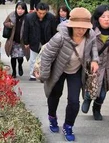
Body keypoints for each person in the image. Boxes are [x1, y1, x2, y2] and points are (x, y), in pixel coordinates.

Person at [38, 7, 99, 141]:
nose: (81, 30)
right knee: (55, 94)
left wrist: (95, 60)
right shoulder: (60, 37)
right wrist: (44, 75)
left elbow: (94, 47)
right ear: (71, 26)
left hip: (76, 71)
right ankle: (52, 117)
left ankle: (68, 126)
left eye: (84, 28)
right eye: (78, 27)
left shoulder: (91, 35)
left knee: (74, 101)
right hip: (59, 69)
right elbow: (47, 55)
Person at [23, 2, 58, 81]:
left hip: (47, 40)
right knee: (33, 59)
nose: (41, 15)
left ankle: (45, 75)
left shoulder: (51, 18)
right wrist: (26, 42)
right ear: (36, 10)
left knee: (46, 59)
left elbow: (54, 31)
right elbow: (26, 30)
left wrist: (54, 42)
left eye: (44, 13)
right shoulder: (29, 17)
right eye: (40, 13)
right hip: (34, 40)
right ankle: (33, 75)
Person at [4, 1, 29, 78]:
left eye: (22, 9)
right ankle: (14, 71)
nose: (20, 11)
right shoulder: (12, 15)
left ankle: (20, 66)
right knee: (13, 57)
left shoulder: (27, 17)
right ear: (16, 9)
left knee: (20, 57)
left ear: (25, 10)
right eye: (18, 8)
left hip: (21, 41)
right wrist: (10, 24)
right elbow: (5, 23)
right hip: (13, 40)